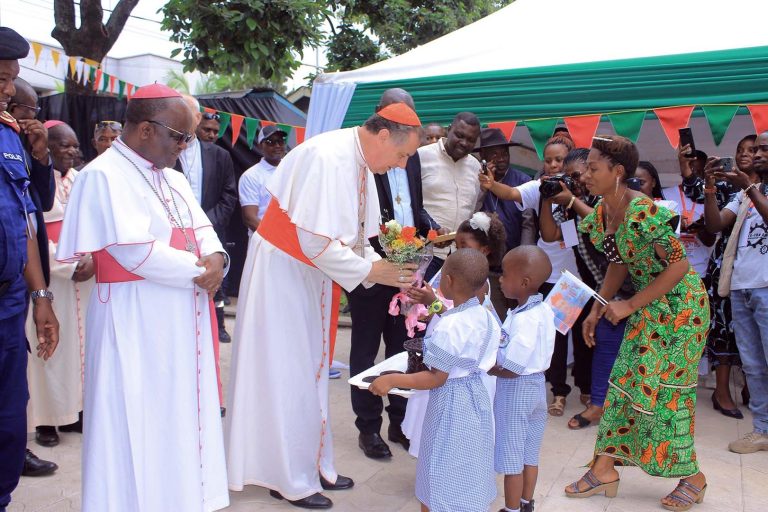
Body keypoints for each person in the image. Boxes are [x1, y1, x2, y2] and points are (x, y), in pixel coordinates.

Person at [225, 101, 422, 509]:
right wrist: (375, 272)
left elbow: (350, 240)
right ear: (384, 135)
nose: (402, 165)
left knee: (309, 372)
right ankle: (287, 477)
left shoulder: (361, 161)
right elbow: (315, 241)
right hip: (283, 273)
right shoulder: (328, 156)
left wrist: (382, 265)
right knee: (286, 373)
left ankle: (311, 463)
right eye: (402, 154)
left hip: (307, 274)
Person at [56, 83, 230, 512]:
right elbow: (134, 253)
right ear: (148, 129)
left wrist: (218, 258)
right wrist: (201, 273)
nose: (186, 147)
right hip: (132, 319)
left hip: (178, 313)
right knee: (134, 418)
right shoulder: (103, 175)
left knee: (177, 417)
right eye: (180, 136)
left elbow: (203, 228)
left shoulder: (171, 176)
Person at [565, 135, 710, 511]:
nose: (585, 175)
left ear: (618, 172)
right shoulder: (604, 210)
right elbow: (619, 262)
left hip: (681, 310)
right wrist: (599, 306)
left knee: (666, 392)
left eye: (593, 168)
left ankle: (693, 477)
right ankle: (604, 467)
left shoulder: (645, 212)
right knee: (625, 382)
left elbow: (678, 266)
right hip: (650, 306)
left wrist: (629, 303)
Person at [369, 248, 501, 512]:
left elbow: (436, 378)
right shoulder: (486, 315)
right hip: (476, 400)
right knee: (468, 466)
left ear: (449, 281)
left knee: (439, 468)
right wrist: (433, 303)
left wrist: (393, 379)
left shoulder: (450, 327)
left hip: (450, 406)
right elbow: (459, 327)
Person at [347, 88, 439, 460]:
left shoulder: (411, 156)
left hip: (409, 269)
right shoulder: (364, 157)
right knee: (366, 350)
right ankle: (368, 428)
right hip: (372, 269)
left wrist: (429, 228)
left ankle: (399, 423)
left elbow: (412, 205)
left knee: (405, 348)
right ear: (380, 120)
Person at [480, 135, 585, 417]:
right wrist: (491, 185)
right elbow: (512, 193)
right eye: (548, 160)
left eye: (559, 159)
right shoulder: (540, 188)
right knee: (557, 338)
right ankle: (559, 392)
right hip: (547, 275)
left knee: (584, 335)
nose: (552, 165)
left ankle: (586, 388)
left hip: (578, 276)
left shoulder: (583, 189)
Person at [0, 27, 60, 512]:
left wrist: (41, 299)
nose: (7, 90)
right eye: (1, 79)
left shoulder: (8, 137)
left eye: (12, 80)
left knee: (7, 422)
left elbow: (26, 218)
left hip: (8, 302)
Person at [402, 212, 506, 457]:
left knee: (445, 434)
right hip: (447, 365)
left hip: (453, 376)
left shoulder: (477, 288)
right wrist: (430, 306)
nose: (457, 252)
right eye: (455, 246)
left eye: (464, 246)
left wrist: (434, 304)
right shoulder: (462, 279)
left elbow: (459, 320)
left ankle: (441, 474)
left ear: (485, 251)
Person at [27, 121, 93, 449]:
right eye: (63, 145)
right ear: (46, 146)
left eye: (74, 145)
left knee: (78, 349)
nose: (71, 151)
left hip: (84, 279)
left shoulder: (83, 180)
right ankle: (46, 419)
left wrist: (93, 258)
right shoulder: (35, 180)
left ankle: (74, 410)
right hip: (52, 277)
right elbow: (33, 233)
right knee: (49, 349)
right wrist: (66, 264)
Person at [703, 132, 768, 454]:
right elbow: (715, 225)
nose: (756, 154)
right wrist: (710, 188)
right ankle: (762, 430)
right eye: (754, 149)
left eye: (763, 149)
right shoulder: (745, 194)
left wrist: (749, 187)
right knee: (754, 364)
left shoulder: (750, 191)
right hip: (741, 286)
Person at [490, 245, 555, 512]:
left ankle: (512, 508)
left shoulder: (524, 320)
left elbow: (514, 366)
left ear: (524, 282)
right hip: (537, 386)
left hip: (516, 389)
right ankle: (527, 502)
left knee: (511, 456)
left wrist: (489, 368)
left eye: (505, 274)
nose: (501, 279)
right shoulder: (544, 311)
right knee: (529, 452)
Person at [178, 95, 237, 345]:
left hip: (211, 230)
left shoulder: (219, 155)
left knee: (214, 282)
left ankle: (218, 325)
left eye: (186, 114)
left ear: (197, 117)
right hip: (175, 233)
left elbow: (229, 194)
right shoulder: (164, 151)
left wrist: (207, 224)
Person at [475, 127, 535, 316]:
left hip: (514, 265)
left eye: (504, 153)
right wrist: (483, 189)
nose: (501, 158)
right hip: (486, 268)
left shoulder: (522, 180)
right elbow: (470, 215)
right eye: (494, 154)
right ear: (483, 156)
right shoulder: (475, 182)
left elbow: (528, 223)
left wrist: (523, 258)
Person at [418, 112, 482, 281]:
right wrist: (431, 228)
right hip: (424, 254)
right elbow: (411, 204)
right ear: (449, 130)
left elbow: (471, 209)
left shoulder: (475, 167)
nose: (464, 143)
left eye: (471, 140)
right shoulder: (421, 156)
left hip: (459, 257)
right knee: (416, 306)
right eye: (459, 136)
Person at [238, 125, 288, 234]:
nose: (277, 145)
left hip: (292, 243)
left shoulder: (293, 170)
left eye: (281, 141)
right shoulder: (251, 176)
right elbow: (250, 218)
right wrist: (277, 239)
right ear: (260, 145)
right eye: (271, 142)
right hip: (264, 243)